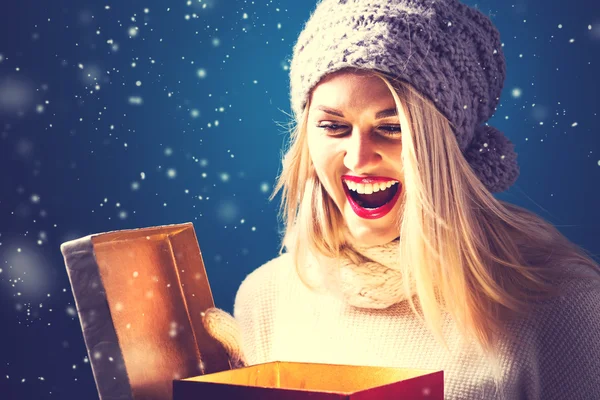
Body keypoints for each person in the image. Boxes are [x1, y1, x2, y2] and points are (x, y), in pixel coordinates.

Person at [201, 0, 600, 398]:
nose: (358, 158)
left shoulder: (562, 305)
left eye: (391, 127)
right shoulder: (266, 296)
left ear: (446, 144)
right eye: (333, 126)